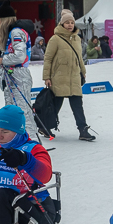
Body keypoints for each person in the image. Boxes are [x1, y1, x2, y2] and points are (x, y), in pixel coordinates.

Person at [43, 9, 95, 142]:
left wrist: (83, 72)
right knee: (56, 105)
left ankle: (83, 130)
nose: (70, 25)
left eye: (72, 22)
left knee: (78, 104)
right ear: (62, 24)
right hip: (59, 77)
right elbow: (48, 58)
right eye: (67, 22)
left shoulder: (77, 39)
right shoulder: (55, 39)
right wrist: (46, 77)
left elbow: (79, 58)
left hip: (74, 77)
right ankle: (45, 127)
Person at [0, 2, 39, 139]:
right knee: (11, 111)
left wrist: (4, 60)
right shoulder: (11, 33)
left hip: (19, 74)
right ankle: (15, 140)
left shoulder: (16, 32)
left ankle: (32, 142)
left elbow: (20, 56)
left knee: (22, 110)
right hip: (11, 74)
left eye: (0, 20)